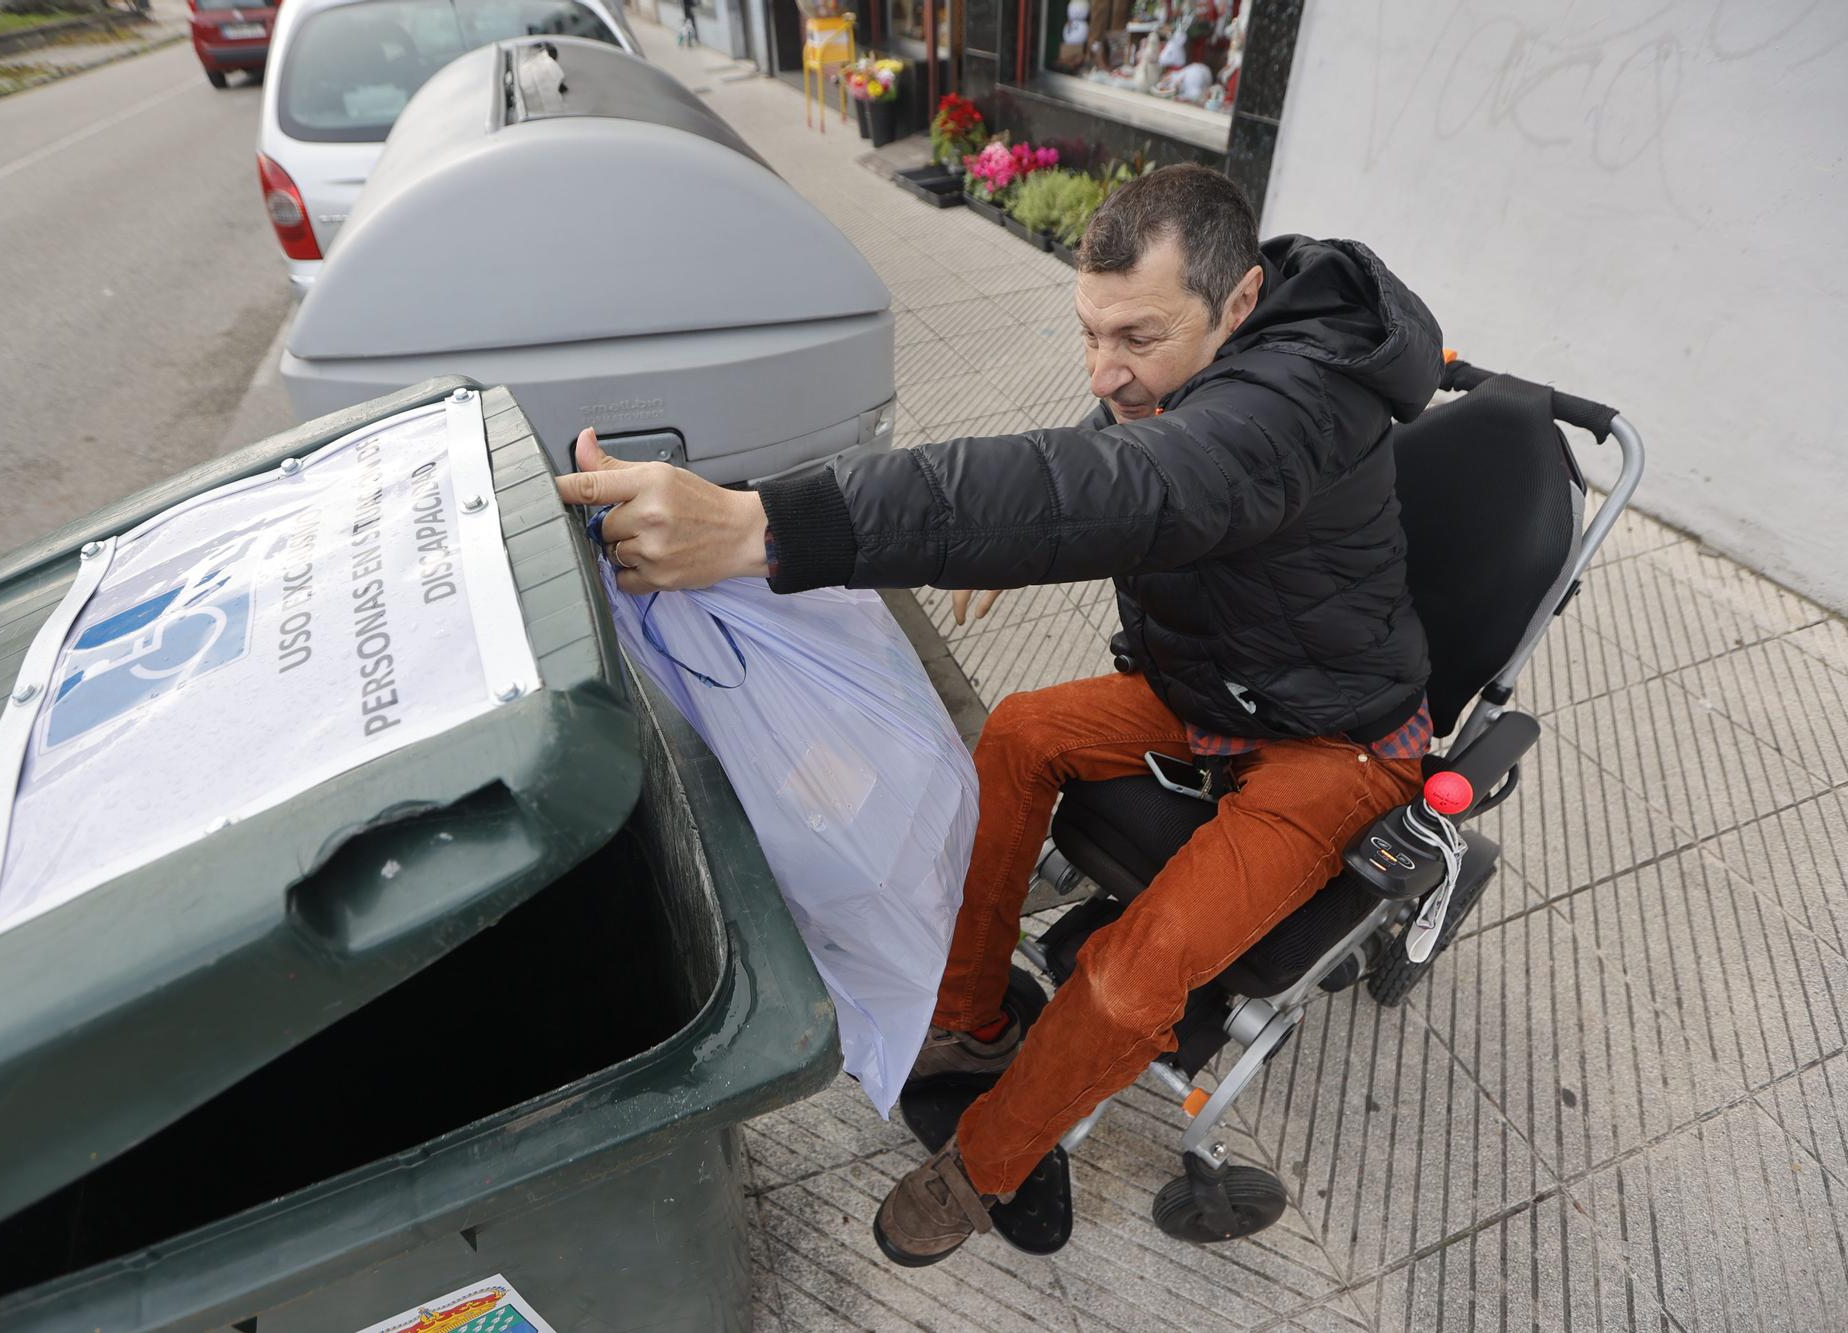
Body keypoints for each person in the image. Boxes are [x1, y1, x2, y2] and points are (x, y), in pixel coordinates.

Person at [556, 164, 1443, 1267]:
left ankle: (984, 1167)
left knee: (1127, 980)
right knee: (1020, 731)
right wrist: (991, 534)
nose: (1104, 368)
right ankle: (967, 1022)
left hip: (1333, 734)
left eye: (1135, 335)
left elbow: (1129, 488)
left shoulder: (1296, 402)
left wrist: (762, 529)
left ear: (1242, 303)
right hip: (1215, 686)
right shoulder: (1190, 367)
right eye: (1087, 331)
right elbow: (1103, 461)